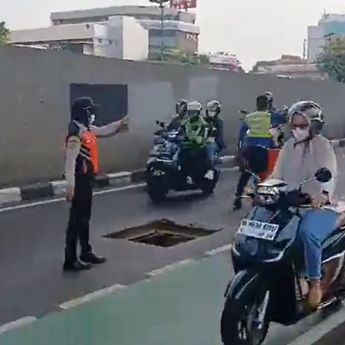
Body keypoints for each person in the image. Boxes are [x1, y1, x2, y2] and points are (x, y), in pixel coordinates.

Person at [271, 101, 339, 308]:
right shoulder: (288, 146)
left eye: (303, 125)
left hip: (318, 207)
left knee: (307, 233)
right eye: (295, 125)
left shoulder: (322, 145)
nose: (298, 130)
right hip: (290, 203)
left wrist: (323, 194)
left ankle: (315, 283)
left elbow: (329, 174)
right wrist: (264, 187)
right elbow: (277, 175)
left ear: (314, 126)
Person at [64, 97, 128, 271]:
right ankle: (70, 260)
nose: (92, 114)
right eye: (90, 111)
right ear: (83, 112)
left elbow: (104, 130)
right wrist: (70, 186)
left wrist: (120, 123)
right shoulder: (75, 133)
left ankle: (86, 252)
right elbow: (70, 162)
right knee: (75, 222)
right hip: (79, 182)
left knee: (84, 219)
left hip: (87, 180)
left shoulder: (87, 129)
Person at [233, 95, 273, 210]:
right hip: (263, 150)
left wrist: (240, 151)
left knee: (245, 175)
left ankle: (238, 198)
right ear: (267, 105)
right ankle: (259, 200)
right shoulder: (270, 116)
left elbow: (241, 136)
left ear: (256, 104)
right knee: (262, 176)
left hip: (248, 149)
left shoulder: (248, 117)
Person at [180, 101, 213, 179]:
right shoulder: (186, 122)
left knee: (204, 153)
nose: (192, 114)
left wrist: (198, 139)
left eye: (194, 112)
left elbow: (203, 136)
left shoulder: (203, 123)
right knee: (181, 155)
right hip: (188, 145)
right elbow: (180, 130)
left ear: (198, 112)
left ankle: (209, 171)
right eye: (190, 112)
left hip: (199, 146)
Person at [204, 100, 225, 164]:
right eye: (210, 110)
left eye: (214, 110)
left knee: (209, 147)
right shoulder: (202, 121)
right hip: (201, 142)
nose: (212, 112)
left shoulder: (219, 122)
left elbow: (220, 137)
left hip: (213, 143)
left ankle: (211, 167)